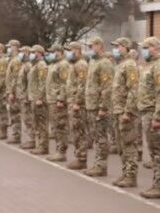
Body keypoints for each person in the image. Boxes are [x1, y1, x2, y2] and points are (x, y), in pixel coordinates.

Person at [137, 36, 160, 199]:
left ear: (155, 48)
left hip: (154, 113)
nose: (143, 50)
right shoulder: (149, 65)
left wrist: (158, 117)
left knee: (158, 151)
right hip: (147, 111)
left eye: (146, 47)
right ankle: (157, 183)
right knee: (153, 151)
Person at [82, 36, 114, 177]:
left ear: (100, 46)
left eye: (92, 46)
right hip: (91, 105)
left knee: (101, 137)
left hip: (99, 107)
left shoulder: (105, 63)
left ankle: (101, 166)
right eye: (88, 47)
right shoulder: (93, 62)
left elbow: (107, 87)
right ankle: (97, 164)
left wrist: (103, 107)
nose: (90, 49)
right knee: (96, 136)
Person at [111, 37, 140, 188]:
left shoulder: (129, 65)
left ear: (126, 47)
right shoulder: (120, 64)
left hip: (125, 112)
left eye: (118, 46)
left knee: (128, 143)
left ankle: (131, 175)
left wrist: (128, 112)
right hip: (118, 110)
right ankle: (125, 172)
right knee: (121, 144)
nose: (116, 49)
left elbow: (133, 89)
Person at [65, 42, 89, 170]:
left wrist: (77, 102)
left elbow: (82, 84)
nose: (69, 53)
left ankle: (82, 158)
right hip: (72, 102)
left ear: (77, 50)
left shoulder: (81, 65)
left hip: (77, 104)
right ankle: (79, 156)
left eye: (71, 50)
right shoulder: (73, 64)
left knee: (79, 131)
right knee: (75, 130)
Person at [46, 44, 71, 162]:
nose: (51, 54)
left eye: (53, 52)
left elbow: (64, 83)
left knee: (60, 126)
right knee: (55, 126)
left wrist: (61, 99)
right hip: (52, 99)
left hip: (57, 100)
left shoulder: (63, 65)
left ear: (59, 52)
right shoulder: (53, 65)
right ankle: (58, 150)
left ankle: (61, 151)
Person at [28, 45, 49, 155]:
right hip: (34, 97)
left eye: (33, 52)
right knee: (37, 122)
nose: (31, 54)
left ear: (39, 53)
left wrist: (40, 97)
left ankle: (43, 146)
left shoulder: (41, 65)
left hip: (38, 99)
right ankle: (39, 145)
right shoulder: (35, 65)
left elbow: (42, 82)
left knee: (41, 123)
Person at [16, 46, 35, 150]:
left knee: (28, 119)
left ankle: (32, 140)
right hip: (22, 96)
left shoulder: (28, 65)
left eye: (22, 52)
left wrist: (27, 96)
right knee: (26, 118)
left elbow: (29, 83)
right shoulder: (23, 65)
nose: (21, 53)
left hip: (26, 97)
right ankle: (30, 139)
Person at [5, 40, 23, 144]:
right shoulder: (12, 60)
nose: (9, 49)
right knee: (12, 113)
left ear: (15, 47)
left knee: (15, 114)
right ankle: (15, 135)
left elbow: (15, 77)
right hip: (11, 91)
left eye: (10, 47)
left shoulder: (16, 61)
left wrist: (12, 91)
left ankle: (16, 136)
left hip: (15, 92)